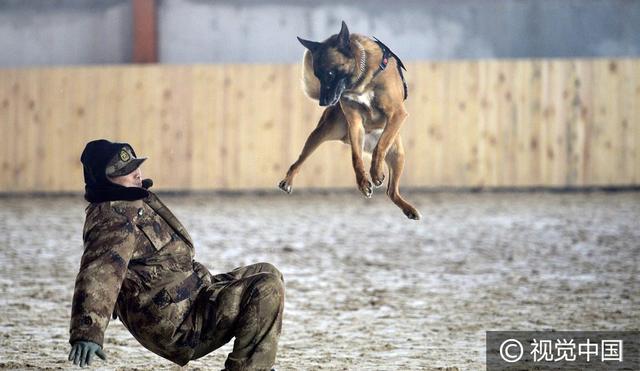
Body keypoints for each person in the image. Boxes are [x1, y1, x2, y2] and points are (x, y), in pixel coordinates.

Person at [68, 139, 284, 370]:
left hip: (190, 297)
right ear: (103, 179)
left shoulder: (131, 201)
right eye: (124, 171)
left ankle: (254, 364)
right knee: (266, 287)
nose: (136, 174)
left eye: (135, 166)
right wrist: (87, 331)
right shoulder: (114, 218)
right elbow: (99, 273)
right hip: (178, 324)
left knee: (267, 271)